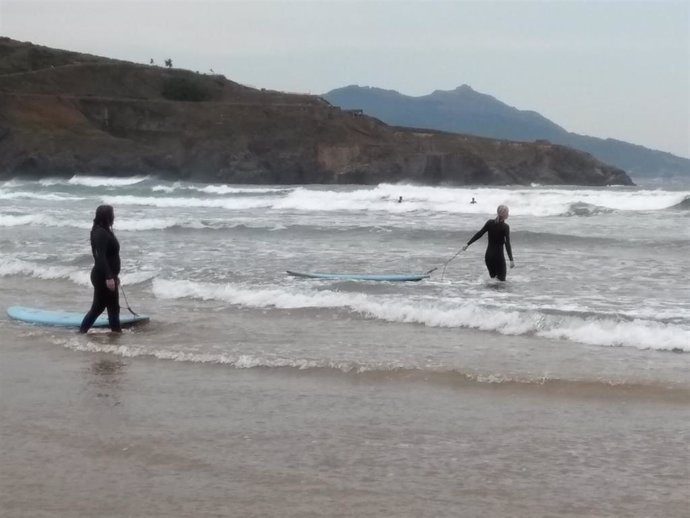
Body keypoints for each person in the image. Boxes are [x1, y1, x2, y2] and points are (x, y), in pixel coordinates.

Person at [80, 204, 122, 333]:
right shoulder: (100, 233)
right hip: (102, 276)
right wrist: (109, 277)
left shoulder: (104, 230)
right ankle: (82, 332)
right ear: (107, 216)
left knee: (112, 307)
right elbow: (101, 258)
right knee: (98, 308)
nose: (114, 216)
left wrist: (114, 276)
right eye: (112, 214)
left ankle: (116, 333)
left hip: (107, 275)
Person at [462, 204, 514, 281]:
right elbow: (507, 244)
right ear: (504, 214)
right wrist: (511, 260)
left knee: (493, 281)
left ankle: (487, 293)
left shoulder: (490, 223)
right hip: (498, 258)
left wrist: (467, 244)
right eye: (507, 213)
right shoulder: (505, 227)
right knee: (501, 283)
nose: (508, 214)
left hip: (489, 257)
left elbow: (479, 234)